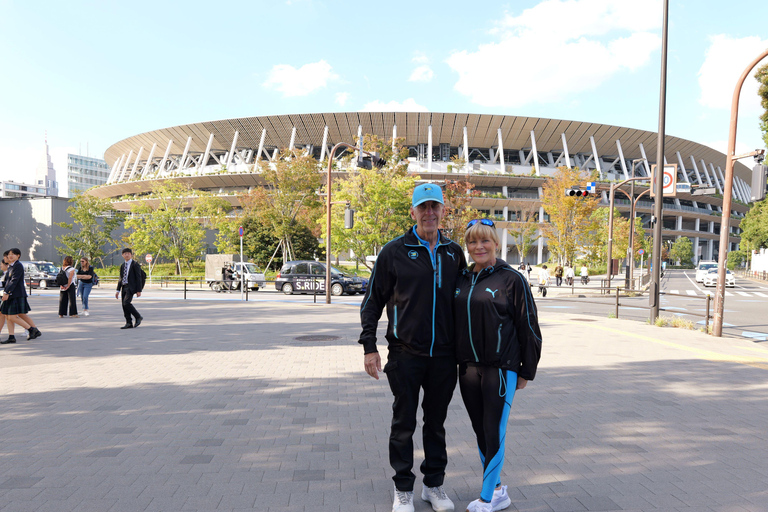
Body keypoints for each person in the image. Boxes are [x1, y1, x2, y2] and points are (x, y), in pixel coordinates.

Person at [359, 183, 467, 512]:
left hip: (445, 358)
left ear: (443, 211)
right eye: (423, 207)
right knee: (403, 422)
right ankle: (403, 488)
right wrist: (369, 346)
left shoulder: (453, 252)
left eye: (435, 207)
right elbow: (372, 301)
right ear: (413, 212)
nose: (429, 213)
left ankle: (433, 485)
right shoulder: (394, 251)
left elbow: (465, 303)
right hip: (405, 354)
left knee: (436, 423)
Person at [454, 219, 542, 512]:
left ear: (496, 244)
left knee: (494, 430)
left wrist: (526, 370)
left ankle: (488, 497)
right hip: (467, 367)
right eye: (472, 242)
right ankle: (498, 487)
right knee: (481, 430)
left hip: (500, 368)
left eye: (485, 241)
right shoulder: (463, 279)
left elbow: (528, 325)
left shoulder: (511, 279)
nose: (478, 247)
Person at [1, 248, 41, 343]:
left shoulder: (18, 265)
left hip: (16, 294)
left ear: (18, 255)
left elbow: (14, 281)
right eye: (9, 254)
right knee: (9, 316)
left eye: (13, 254)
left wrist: (6, 292)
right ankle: (11, 337)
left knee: (12, 317)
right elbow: (7, 282)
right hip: (12, 294)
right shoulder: (11, 266)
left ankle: (32, 330)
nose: (10, 256)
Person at [115, 248, 144, 329]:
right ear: (122, 255)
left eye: (128, 253)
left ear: (131, 255)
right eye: (125, 253)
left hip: (131, 287)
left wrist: (139, 290)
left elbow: (139, 278)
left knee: (126, 303)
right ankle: (128, 322)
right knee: (124, 305)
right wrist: (117, 290)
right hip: (123, 286)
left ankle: (138, 316)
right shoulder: (123, 265)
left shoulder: (135, 264)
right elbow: (121, 278)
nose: (127, 255)